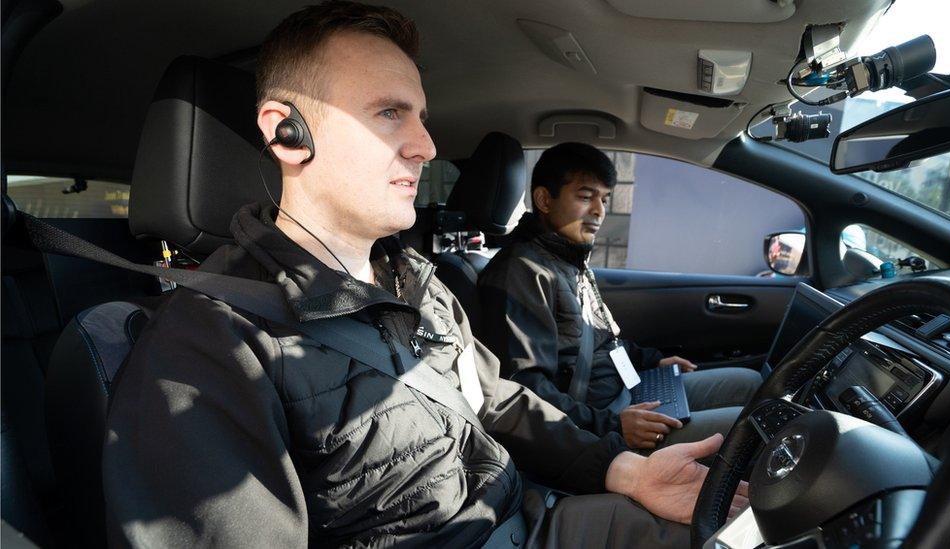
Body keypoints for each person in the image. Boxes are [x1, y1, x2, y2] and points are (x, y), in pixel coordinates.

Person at [103, 3, 747, 547]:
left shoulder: (416, 283)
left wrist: (620, 470)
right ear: (289, 134)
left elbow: (496, 401)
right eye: (390, 114)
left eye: (421, 116)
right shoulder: (204, 351)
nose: (426, 145)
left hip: (528, 518)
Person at [479, 142, 763, 451]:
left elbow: (602, 341)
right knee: (750, 428)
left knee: (747, 382)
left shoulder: (568, 259)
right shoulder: (522, 272)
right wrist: (613, 426)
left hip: (627, 394)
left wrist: (652, 361)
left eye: (604, 198)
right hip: (600, 429)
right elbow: (525, 390)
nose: (599, 211)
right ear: (544, 199)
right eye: (586, 197)